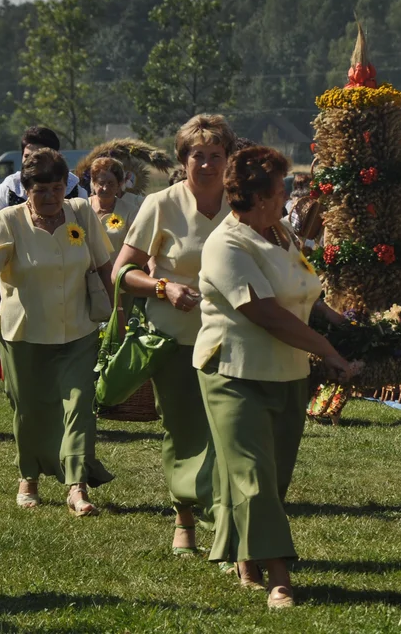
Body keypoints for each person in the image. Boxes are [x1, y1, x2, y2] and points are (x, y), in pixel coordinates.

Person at [194, 145, 356, 609]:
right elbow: (266, 313)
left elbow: (299, 290)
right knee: (254, 477)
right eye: (281, 188)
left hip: (287, 372)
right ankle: (280, 577)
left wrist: (334, 319)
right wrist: (331, 353)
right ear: (258, 197)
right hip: (233, 373)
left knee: (274, 475)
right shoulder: (226, 244)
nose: (287, 196)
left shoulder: (280, 233)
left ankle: (246, 555)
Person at [112, 113, 236, 555]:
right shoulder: (160, 204)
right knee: (184, 432)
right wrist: (163, 287)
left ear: (229, 159)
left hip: (233, 341)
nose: (207, 165)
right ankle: (184, 516)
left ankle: (227, 529)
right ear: (183, 160)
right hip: (175, 340)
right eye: (197, 156)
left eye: (216, 156)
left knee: (228, 436)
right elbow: (121, 272)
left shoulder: (242, 203)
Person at [0, 148, 114, 514]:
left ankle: (77, 486)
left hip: (79, 330)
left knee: (80, 406)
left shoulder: (81, 213)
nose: (50, 197)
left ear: (66, 186)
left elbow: (104, 265)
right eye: (40, 190)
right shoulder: (9, 220)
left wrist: (119, 315)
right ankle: (28, 476)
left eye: (56, 188)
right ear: (26, 189)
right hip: (24, 335)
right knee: (30, 412)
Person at [0, 126, 86, 233]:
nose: (31, 162)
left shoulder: (75, 191)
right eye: (27, 156)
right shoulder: (7, 190)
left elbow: (86, 232)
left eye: (37, 156)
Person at [88, 156, 140, 259]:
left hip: (116, 272)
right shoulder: (83, 207)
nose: (105, 188)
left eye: (111, 183)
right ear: (94, 183)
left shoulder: (130, 212)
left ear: (119, 185)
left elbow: (138, 248)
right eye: (101, 183)